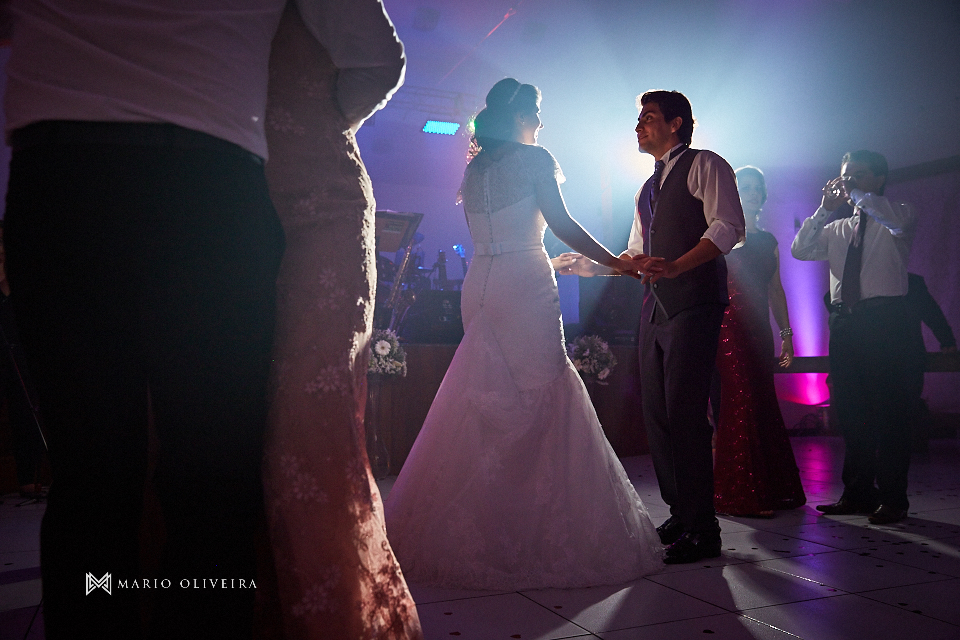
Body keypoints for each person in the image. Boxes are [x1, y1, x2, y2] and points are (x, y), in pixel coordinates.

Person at [0, 1, 373, 637]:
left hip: (61, 178)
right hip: (210, 188)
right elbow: (371, 54)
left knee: (90, 474)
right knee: (211, 477)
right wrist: (299, 124)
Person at [383, 78, 664, 590]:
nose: (541, 122)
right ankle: (536, 531)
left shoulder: (476, 168)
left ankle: (477, 526)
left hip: (481, 284)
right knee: (542, 387)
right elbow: (563, 224)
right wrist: (617, 263)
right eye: (536, 112)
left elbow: (493, 236)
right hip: (524, 282)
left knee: (484, 392)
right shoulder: (535, 160)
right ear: (520, 117)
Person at [258, 3, 422, 638]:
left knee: (308, 407)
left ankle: (323, 591)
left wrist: (312, 120)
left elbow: (382, 61)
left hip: (318, 198)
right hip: (220, 188)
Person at [607, 90, 745, 564]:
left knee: (685, 411)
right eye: (638, 118)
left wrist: (676, 267)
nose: (638, 126)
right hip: (655, 307)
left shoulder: (706, 164)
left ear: (676, 123)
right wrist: (594, 264)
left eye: (647, 117)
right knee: (658, 413)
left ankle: (703, 527)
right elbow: (635, 251)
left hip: (694, 301)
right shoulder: (645, 188)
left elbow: (727, 227)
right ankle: (681, 511)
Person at [791, 150, 918, 525]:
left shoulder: (899, 214)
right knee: (851, 413)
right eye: (845, 175)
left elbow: (891, 218)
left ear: (879, 179)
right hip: (845, 324)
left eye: (858, 175)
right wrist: (824, 209)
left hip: (886, 321)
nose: (848, 182)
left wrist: (858, 194)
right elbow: (800, 250)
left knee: (890, 414)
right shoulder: (837, 228)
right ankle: (858, 493)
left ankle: (893, 498)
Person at [712, 167, 805, 517]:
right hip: (728, 327)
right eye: (745, 187)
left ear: (763, 195)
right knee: (740, 400)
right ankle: (741, 494)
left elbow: (775, 290)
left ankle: (771, 488)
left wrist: (787, 335)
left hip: (759, 330)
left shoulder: (768, 241)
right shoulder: (719, 236)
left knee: (763, 401)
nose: (752, 193)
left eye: (757, 188)